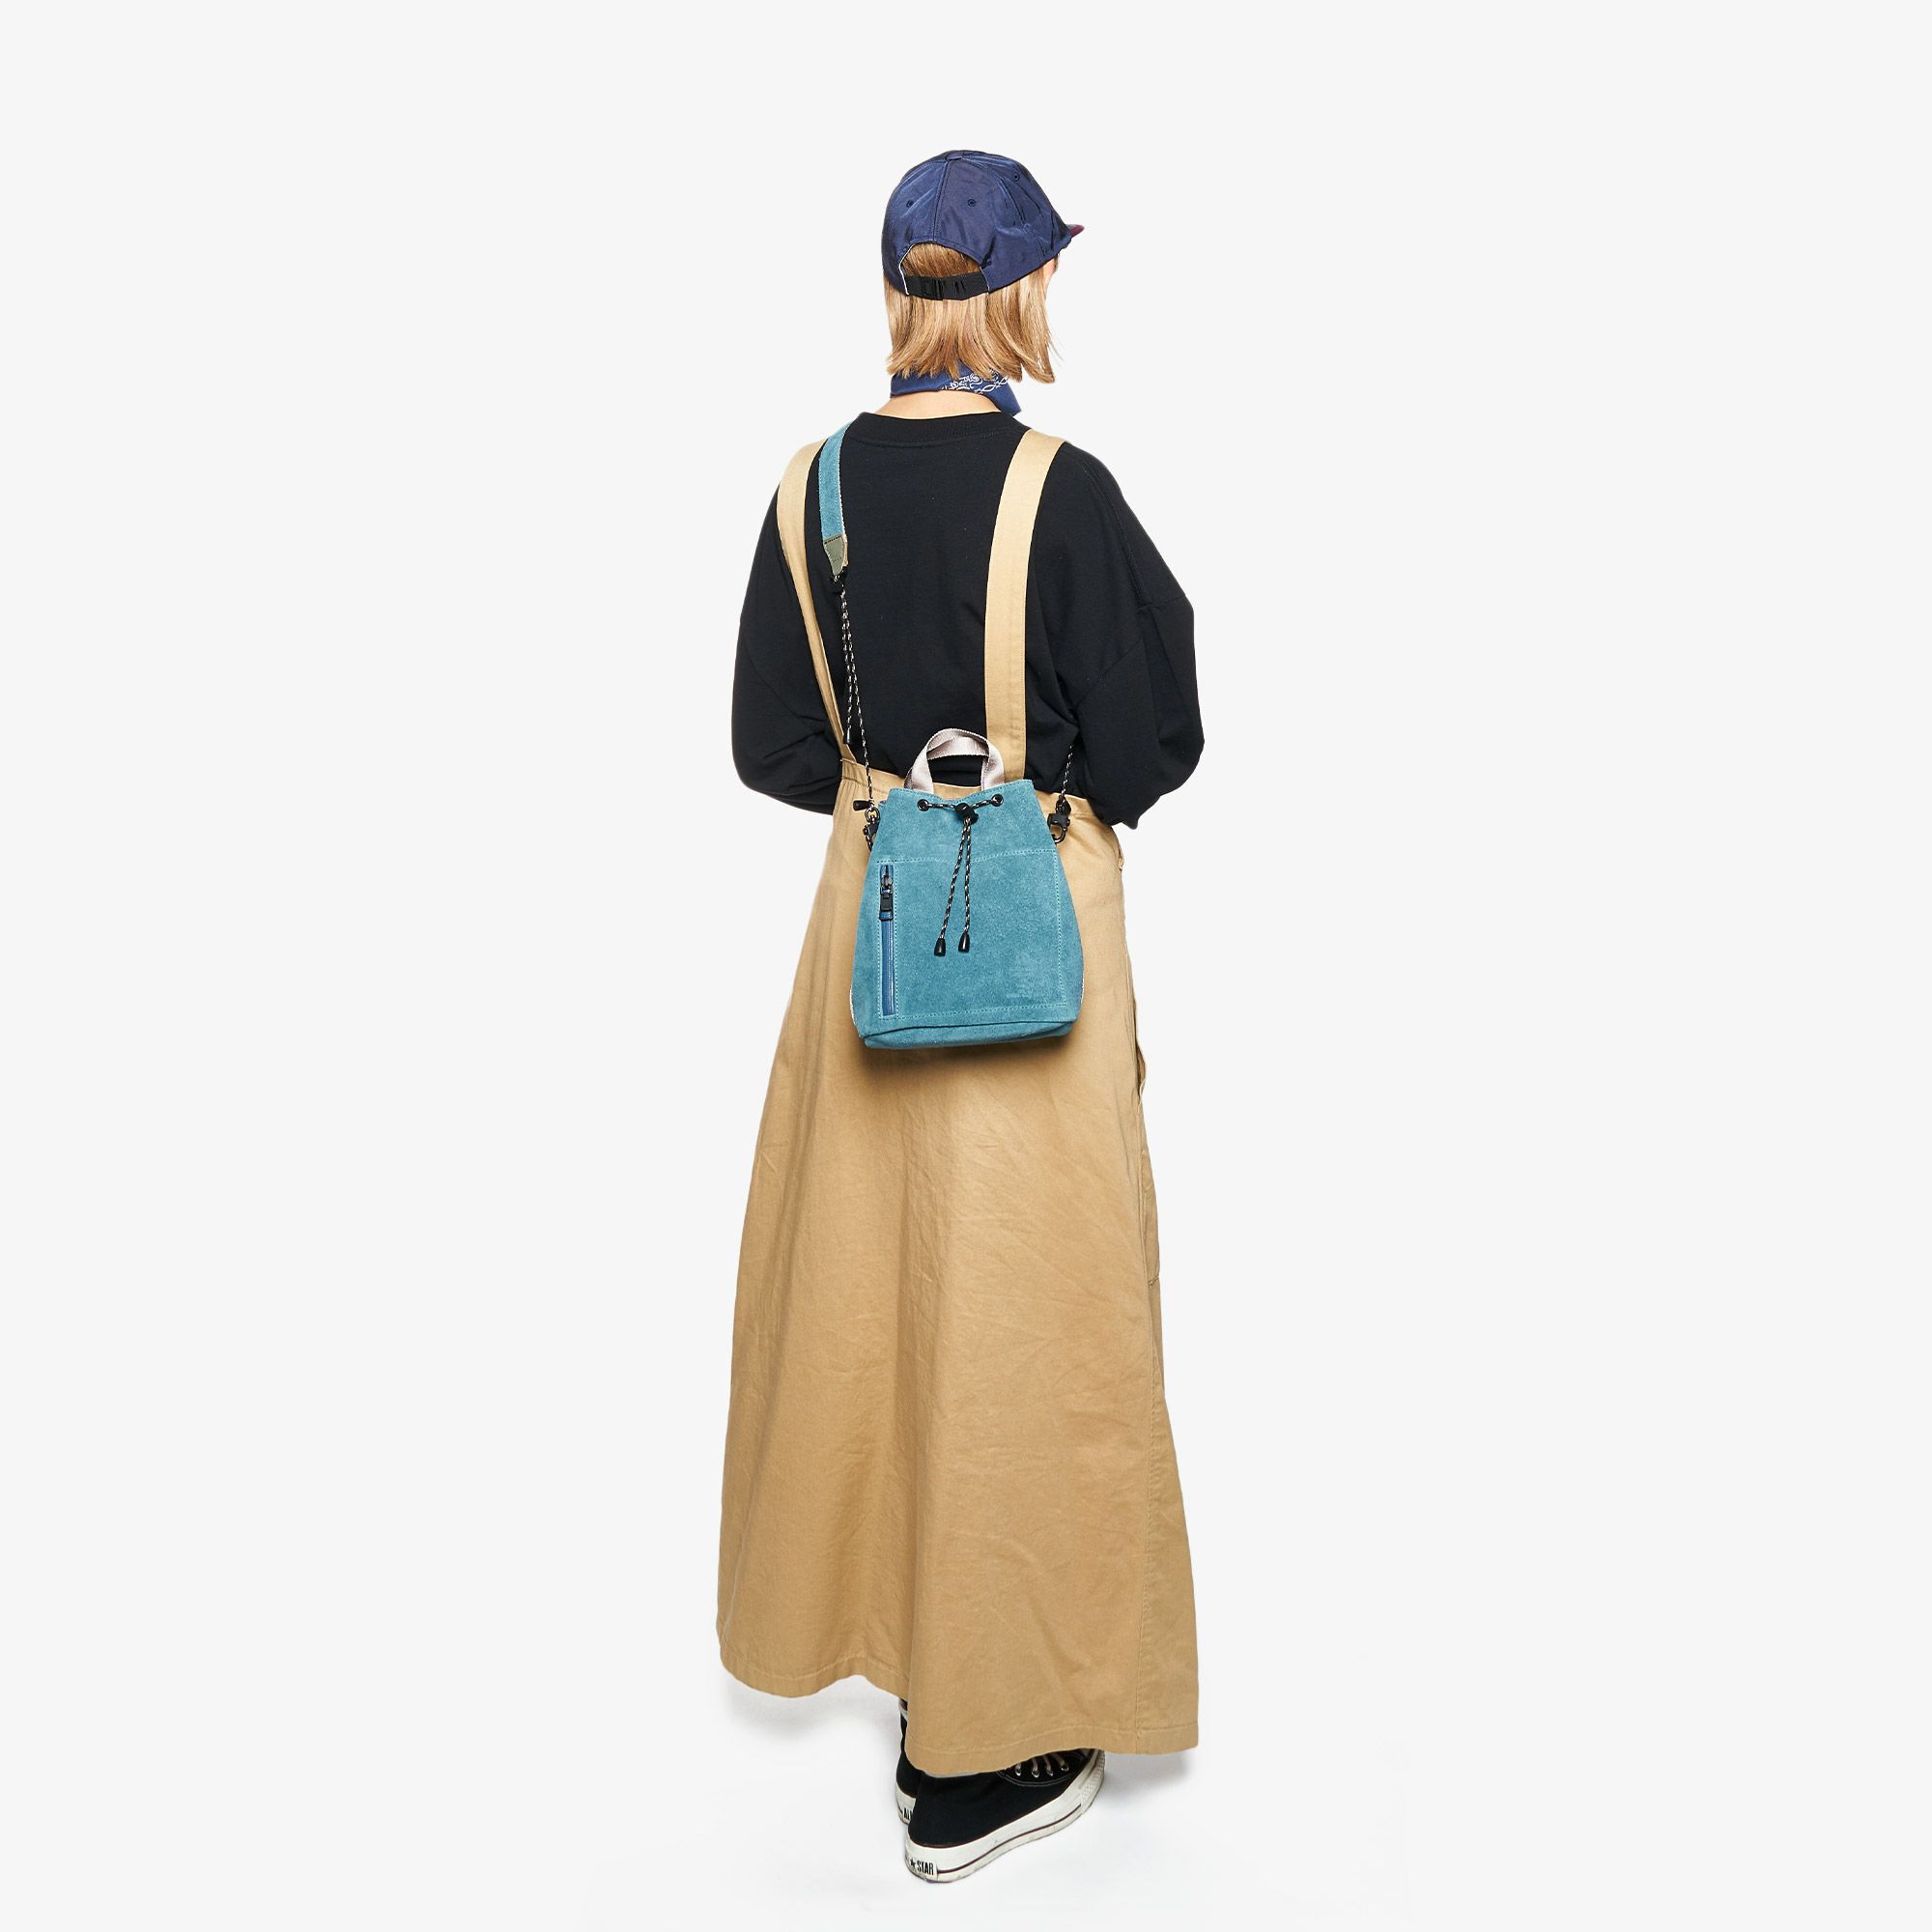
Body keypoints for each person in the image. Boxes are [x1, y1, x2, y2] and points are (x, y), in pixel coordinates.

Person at [721, 150, 1204, 1884]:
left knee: (872, 1319)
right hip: (1032, 957)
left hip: (867, 941)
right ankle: (985, 1749)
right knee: (1035, 1333)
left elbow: (774, 747)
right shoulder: (1065, 494)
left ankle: (913, 1652)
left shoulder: (812, 489)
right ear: (1019, 293)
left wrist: (899, 804)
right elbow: (1154, 742)